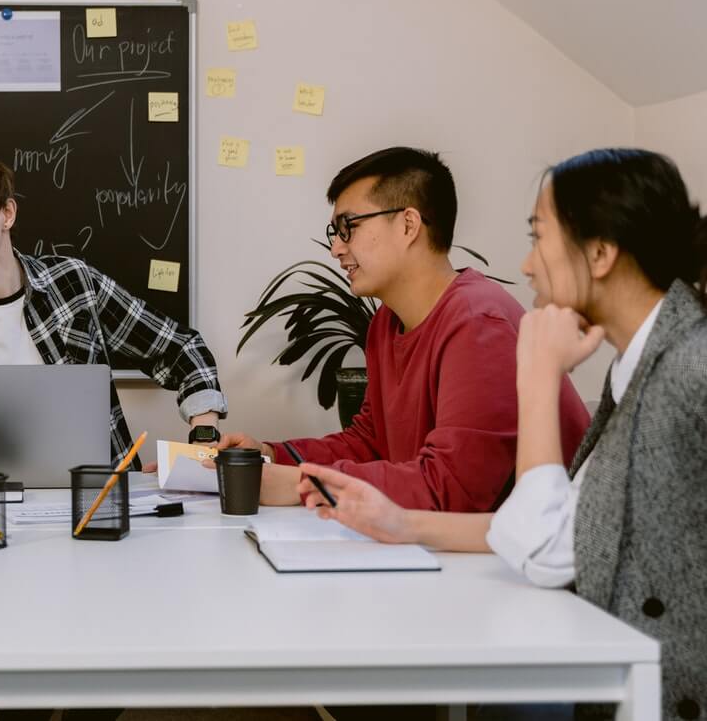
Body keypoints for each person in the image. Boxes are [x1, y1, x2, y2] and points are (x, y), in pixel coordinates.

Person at [299, 148, 707, 720]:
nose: (527, 265)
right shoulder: (645, 363)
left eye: (540, 238)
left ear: (601, 252)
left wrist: (538, 374)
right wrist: (398, 521)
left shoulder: (685, 371)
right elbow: (572, 530)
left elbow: (543, 547)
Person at [217, 147, 590, 510]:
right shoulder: (386, 322)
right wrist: (271, 455)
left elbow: (453, 488)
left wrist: (306, 485)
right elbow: (370, 442)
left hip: (533, 558)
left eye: (349, 227)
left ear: (409, 224)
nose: (336, 249)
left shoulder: (477, 322)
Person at [0, 148, 227, 460]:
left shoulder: (74, 284)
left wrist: (204, 433)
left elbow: (182, 349)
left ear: (6, 213)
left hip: (95, 496)